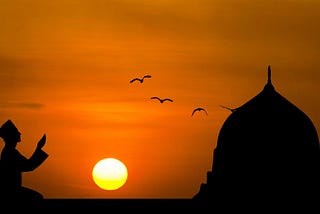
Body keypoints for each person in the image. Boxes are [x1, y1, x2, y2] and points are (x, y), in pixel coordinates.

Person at [0, 119, 48, 201]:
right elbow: (29, 166)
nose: (19, 134)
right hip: (12, 191)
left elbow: (28, 165)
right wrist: (38, 148)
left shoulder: (9, 151)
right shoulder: (10, 152)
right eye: (16, 132)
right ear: (11, 136)